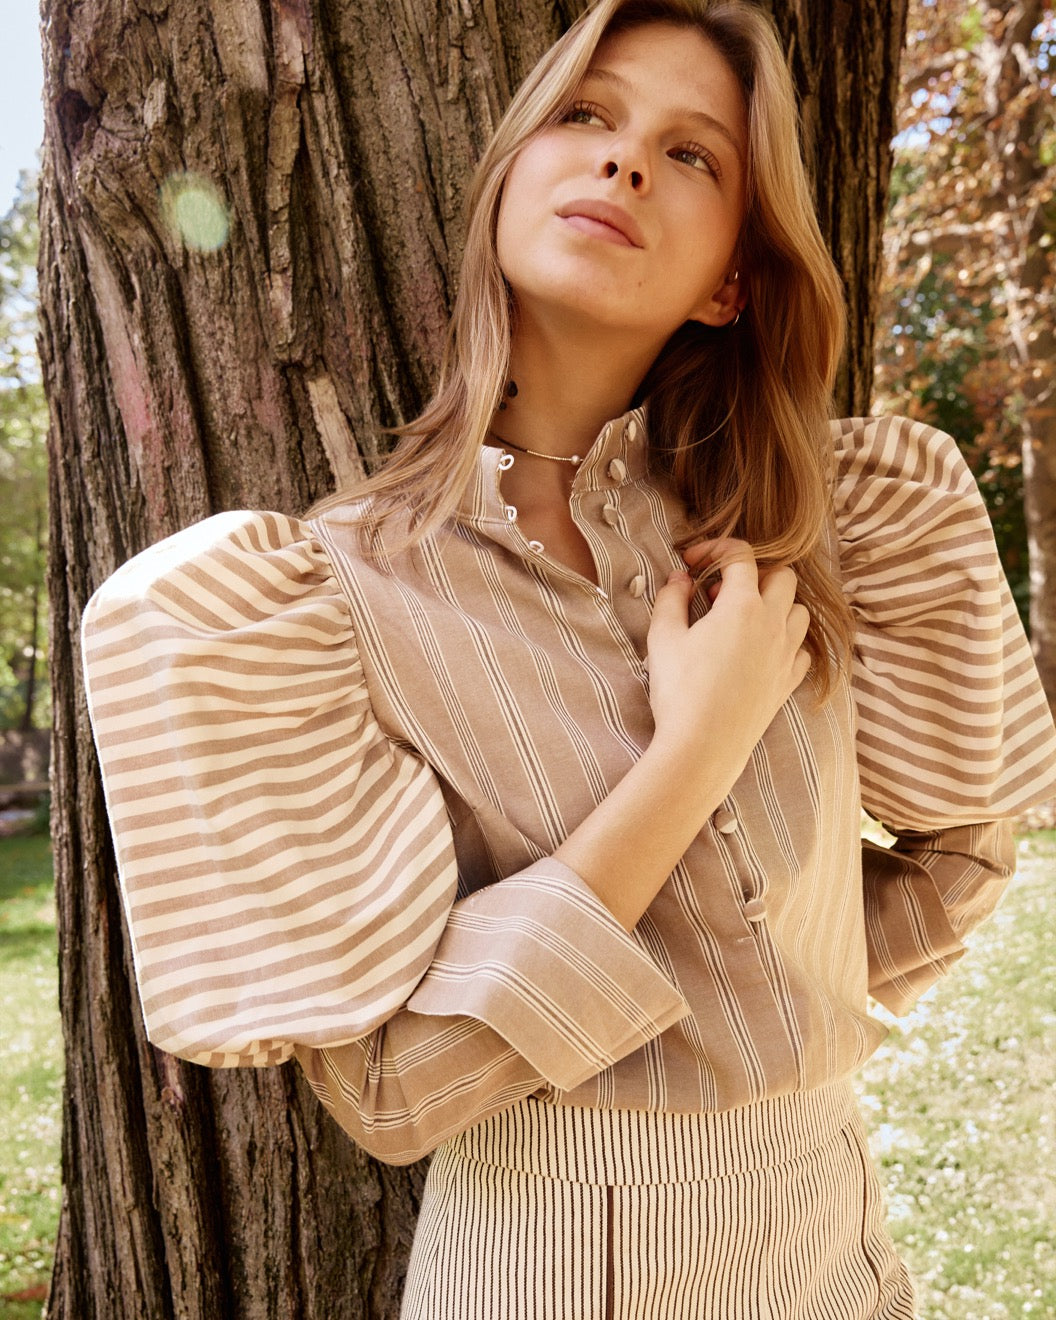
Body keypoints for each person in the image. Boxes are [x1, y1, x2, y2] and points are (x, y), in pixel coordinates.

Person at [81, 0, 1056, 1315]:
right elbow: (389, 1095)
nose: (625, 160)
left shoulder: (812, 529)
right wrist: (698, 748)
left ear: (730, 282)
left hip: (837, 1243)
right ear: (507, 180)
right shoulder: (316, 600)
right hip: (546, 1269)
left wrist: (773, 1012)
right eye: (587, 115)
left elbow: (966, 853)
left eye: (692, 153)